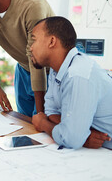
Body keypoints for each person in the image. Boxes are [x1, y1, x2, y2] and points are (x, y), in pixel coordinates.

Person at [30, 16, 112, 149]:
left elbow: (71, 139)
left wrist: (43, 124)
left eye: (34, 40)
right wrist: (82, 133)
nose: (31, 48)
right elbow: (51, 111)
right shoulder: (56, 70)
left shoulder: (78, 75)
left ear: (52, 41)